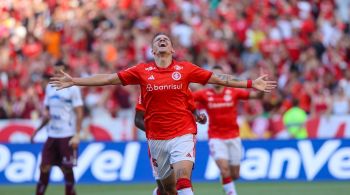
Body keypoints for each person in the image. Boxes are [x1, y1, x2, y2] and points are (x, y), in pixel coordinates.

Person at [50, 32, 276, 195]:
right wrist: (74, 81)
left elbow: (220, 79)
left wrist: (250, 83)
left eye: (166, 39)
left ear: (172, 49)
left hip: (183, 133)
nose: (162, 40)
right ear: (152, 50)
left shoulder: (185, 69)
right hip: (156, 138)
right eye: (157, 39)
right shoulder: (141, 70)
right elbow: (109, 78)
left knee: (183, 180)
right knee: (167, 189)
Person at [192, 65, 264, 195]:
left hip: (234, 136)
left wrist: (262, 89)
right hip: (216, 137)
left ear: (224, 78)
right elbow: (187, 100)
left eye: (220, 75)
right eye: (214, 76)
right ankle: (231, 191)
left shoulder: (233, 92)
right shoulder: (204, 94)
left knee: (235, 174)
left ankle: (226, 181)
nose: (217, 78)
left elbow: (257, 96)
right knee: (224, 170)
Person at [134, 90, 207, 195]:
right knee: (167, 190)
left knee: (184, 182)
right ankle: (159, 191)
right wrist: (156, 132)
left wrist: (199, 117)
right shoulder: (148, 88)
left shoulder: (182, 85)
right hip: (158, 141)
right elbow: (137, 120)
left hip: (182, 137)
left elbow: (193, 110)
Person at [31, 61, 84, 195]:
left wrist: (77, 134)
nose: (57, 75)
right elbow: (48, 114)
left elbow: (79, 112)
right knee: (44, 166)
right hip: (52, 134)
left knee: (66, 169)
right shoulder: (50, 87)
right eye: (55, 72)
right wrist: (37, 131)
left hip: (67, 134)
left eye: (59, 72)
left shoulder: (73, 88)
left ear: (66, 72)